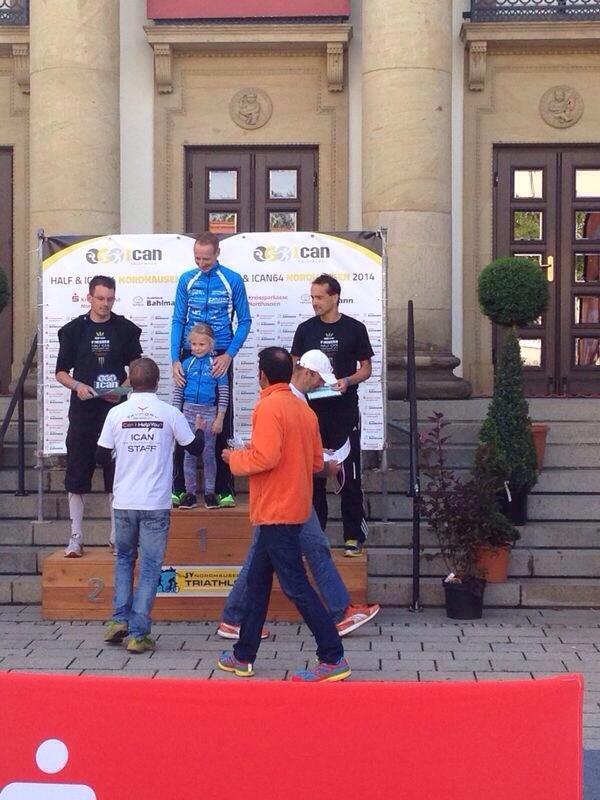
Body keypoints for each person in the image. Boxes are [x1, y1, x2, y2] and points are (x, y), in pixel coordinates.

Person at [217, 350, 380, 640]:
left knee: (283, 562)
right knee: (295, 571)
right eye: (318, 379)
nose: (320, 386)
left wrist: (236, 459)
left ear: (263, 375)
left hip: (282, 496)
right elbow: (278, 455)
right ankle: (333, 623)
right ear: (305, 371)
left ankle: (237, 622)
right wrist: (322, 464)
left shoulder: (277, 404)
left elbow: (273, 453)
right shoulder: (293, 406)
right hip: (288, 495)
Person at [97, 357, 204, 654]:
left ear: (130, 382)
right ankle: (138, 634)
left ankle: (118, 619)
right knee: (149, 567)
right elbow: (194, 448)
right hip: (155, 502)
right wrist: (199, 429)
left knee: (123, 559)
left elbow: (101, 456)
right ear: (158, 383)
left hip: (124, 500)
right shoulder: (169, 413)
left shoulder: (116, 413)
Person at [55, 275, 142, 558]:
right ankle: (75, 537)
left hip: (115, 412)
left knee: (116, 473)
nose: (105, 304)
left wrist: (121, 390)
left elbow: (137, 369)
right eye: (101, 298)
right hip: (83, 413)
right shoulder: (73, 330)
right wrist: (78, 386)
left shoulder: (125, 329)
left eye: (110, 299)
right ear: (89, 297)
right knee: (77, 472)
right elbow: (60, 372)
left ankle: (116, 537)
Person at [291, 274, 374, 558]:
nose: (314, 302)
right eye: (312, 297)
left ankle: (353, 536)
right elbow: (295, 367)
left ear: (335, 297)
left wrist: (348, 381)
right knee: (314, 475)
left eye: (319, 297)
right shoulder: (305, 329)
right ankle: (316, 538)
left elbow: (366, 368)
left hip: (345, 409)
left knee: (349, 474)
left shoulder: (355, 328)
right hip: (313, 412)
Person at [170, 231, 251, 508]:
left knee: (221, 421)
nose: (201, 263)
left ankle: (224, 489)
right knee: (182, 419)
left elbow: (245, 321)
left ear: (217, 254)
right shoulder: (186, 279)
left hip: (220, 354)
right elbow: (178, 319)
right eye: (197, 258)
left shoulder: (232, 279)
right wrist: (175, 358)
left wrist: (229, 355)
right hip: (189, 351)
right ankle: (180, 488)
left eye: (206, 258)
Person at [171, 322, 229, 509]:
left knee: (208, 454)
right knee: (189, 454)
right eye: (194, 344)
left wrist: (220, 418)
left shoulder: (217, 365)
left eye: (202, 344)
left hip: (209, 412)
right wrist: (176, 417)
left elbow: (224, 392)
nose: (197, 348)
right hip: (187, 411)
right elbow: (178, 392)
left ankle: (210, 493)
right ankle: (189, 494)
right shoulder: (186, 364)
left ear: (211, 345)